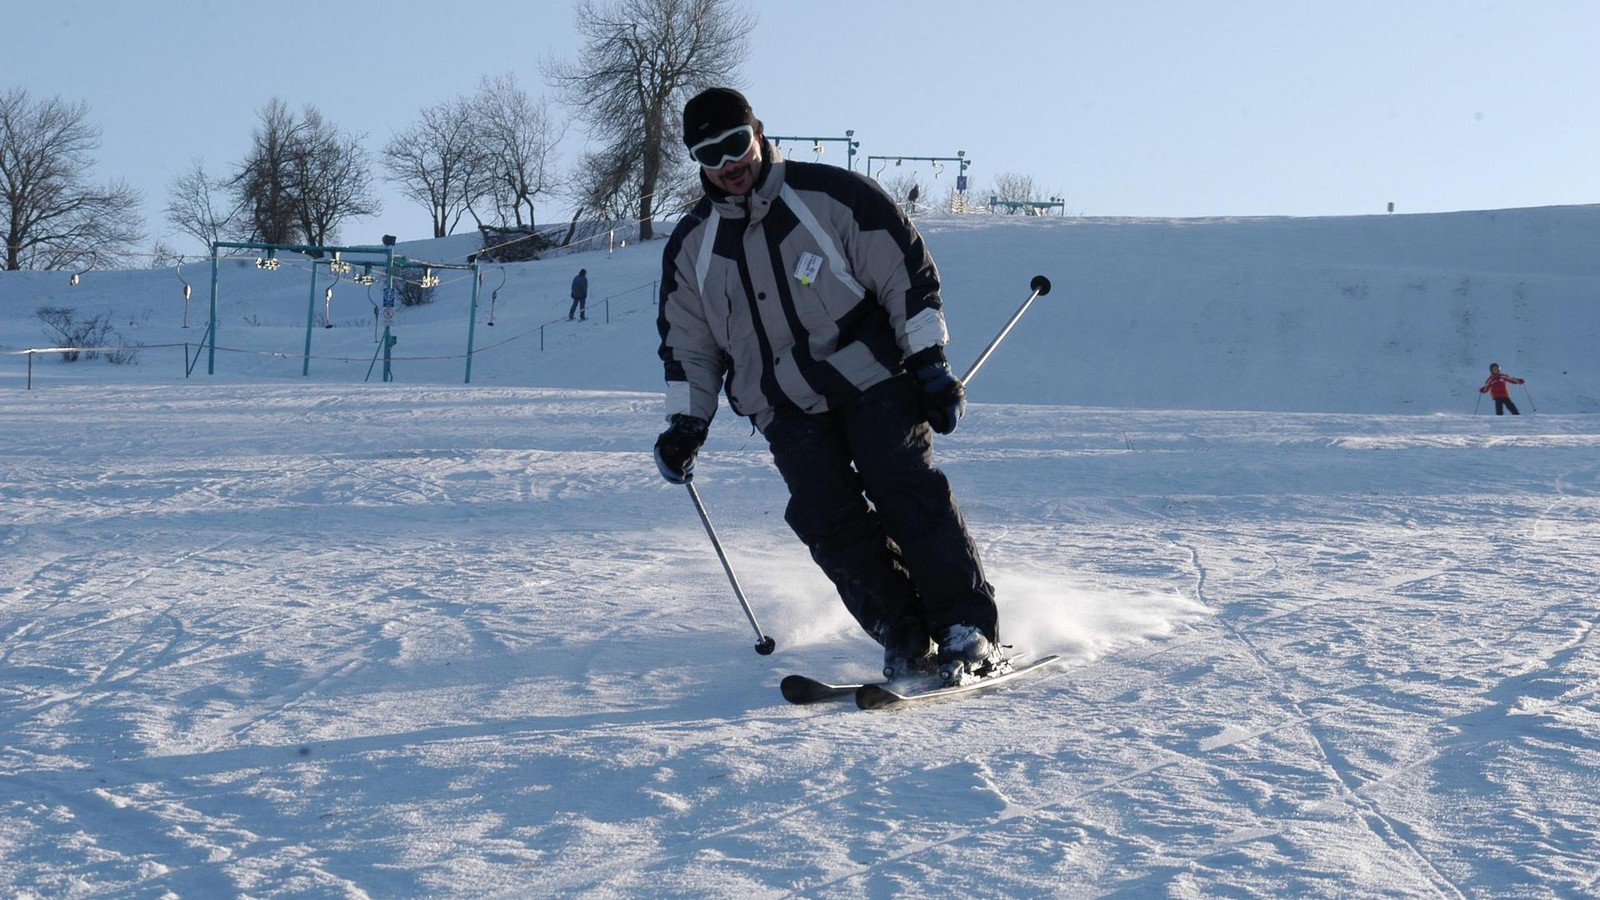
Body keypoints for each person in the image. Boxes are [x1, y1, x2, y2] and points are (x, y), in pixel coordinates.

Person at [653, 87, 1001, 684]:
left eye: (736, 144)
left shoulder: (831, 196)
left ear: (757, 134)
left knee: (903, 485)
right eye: (711, 155)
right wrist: (687, 424)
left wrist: (929, 363)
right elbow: (689, 345)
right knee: (824, 515)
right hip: (784, 406)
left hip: (872, 378)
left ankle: (963, 628)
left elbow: (904, 275)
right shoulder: (693, 247)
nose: (729, 164)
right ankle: (903, 632)